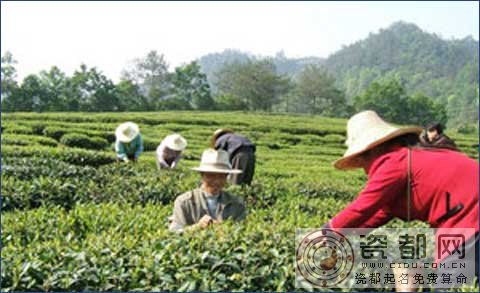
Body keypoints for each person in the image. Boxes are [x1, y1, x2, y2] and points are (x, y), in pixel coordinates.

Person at [325, 111, 478, 291]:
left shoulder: (393, 161)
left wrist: (326, 232)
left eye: (362, 160)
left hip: (469, 218)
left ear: (374, 149)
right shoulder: (410, 158)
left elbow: (363, 206)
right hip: (467, 218)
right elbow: (382, 212)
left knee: (448, 285)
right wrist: (346, 237)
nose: (365, 170)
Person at [169, 149, 246, 232]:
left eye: (222, 176)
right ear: (202, 175)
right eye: (211, 176)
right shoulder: (184, 201)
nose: (217, 181)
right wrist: (196, 227)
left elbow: (242, 232)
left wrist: (224, 228)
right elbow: (174, 232)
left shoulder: (237, 204)